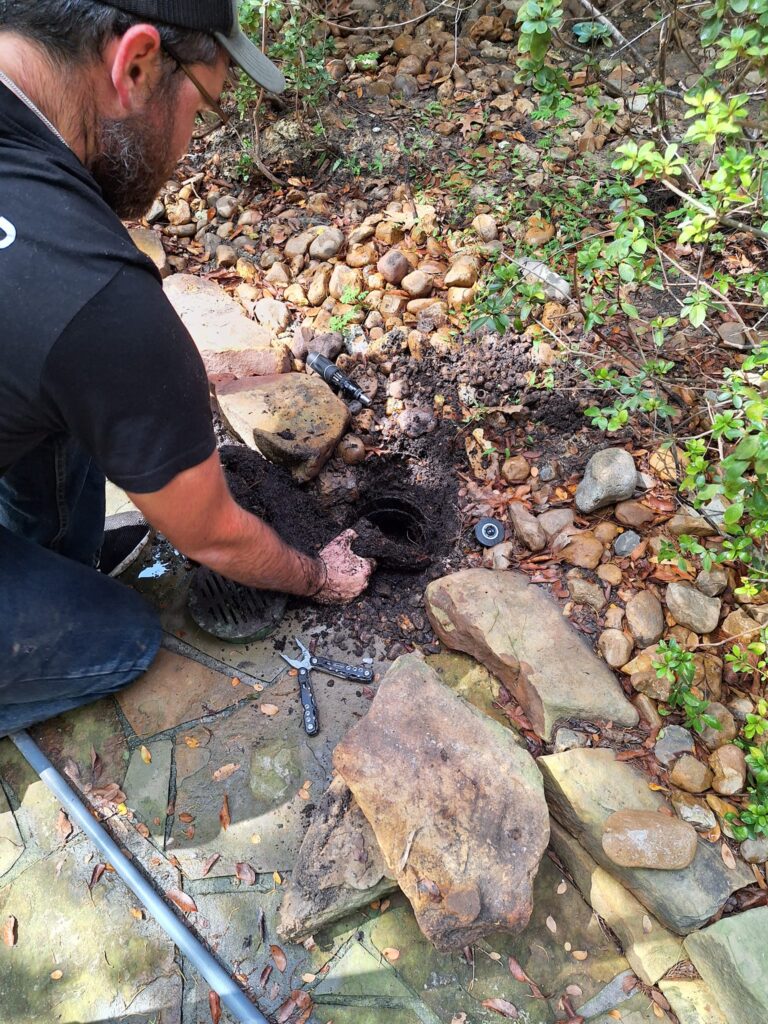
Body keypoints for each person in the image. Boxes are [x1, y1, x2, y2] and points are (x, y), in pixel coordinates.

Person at [0, 0, 374, 735]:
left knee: (63, 391)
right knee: (123, 638)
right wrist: (317, 576)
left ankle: (43, 563)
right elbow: (214, 535)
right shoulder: (94, 296)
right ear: (137, 64)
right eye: (200, 107)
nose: (190, 141)